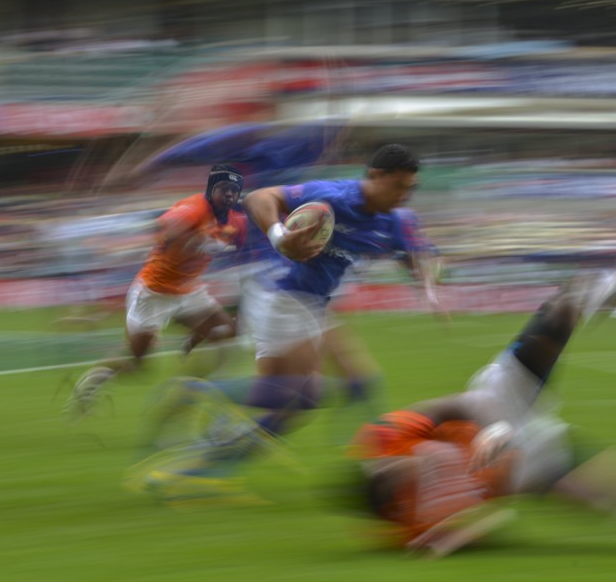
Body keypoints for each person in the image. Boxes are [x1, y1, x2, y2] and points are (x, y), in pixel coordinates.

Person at [336, 233, 616, 557]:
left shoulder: (384, 441)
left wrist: (488, 428)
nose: (415, 472)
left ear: (385, 467)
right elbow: (486, 524)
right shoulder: (407, 524)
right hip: (527, 467)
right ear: (393, 501)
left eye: (405, 469)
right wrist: (455, 539)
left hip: (495, 405)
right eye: (408, 483)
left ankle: (605, 291)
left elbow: (442, 407)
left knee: (559, 310)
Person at [128, 144, 445, 499]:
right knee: (304, 395)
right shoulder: (333, 197)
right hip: (283, 294)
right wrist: (280, 237)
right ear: (375, 176)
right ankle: (200, 396)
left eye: (410, 188)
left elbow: (417, 254)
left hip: (309, 302)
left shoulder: (397, 218)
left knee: (294, 401)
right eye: (398, 186)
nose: (404, 194)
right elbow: (260, 198)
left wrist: (428, 286)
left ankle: (202, 467)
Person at [66, 164, 248, 417]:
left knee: (229, 331)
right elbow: (164, 226)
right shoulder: (195, 208)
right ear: (210, 189)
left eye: (235, 190)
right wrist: (176, 236)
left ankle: (187, 392)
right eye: (224, 189)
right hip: (154, 294)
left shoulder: (236, 222)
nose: (230, 195)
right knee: (137, 364)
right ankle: (91, 383)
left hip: (188, 290)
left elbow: (247, 251)